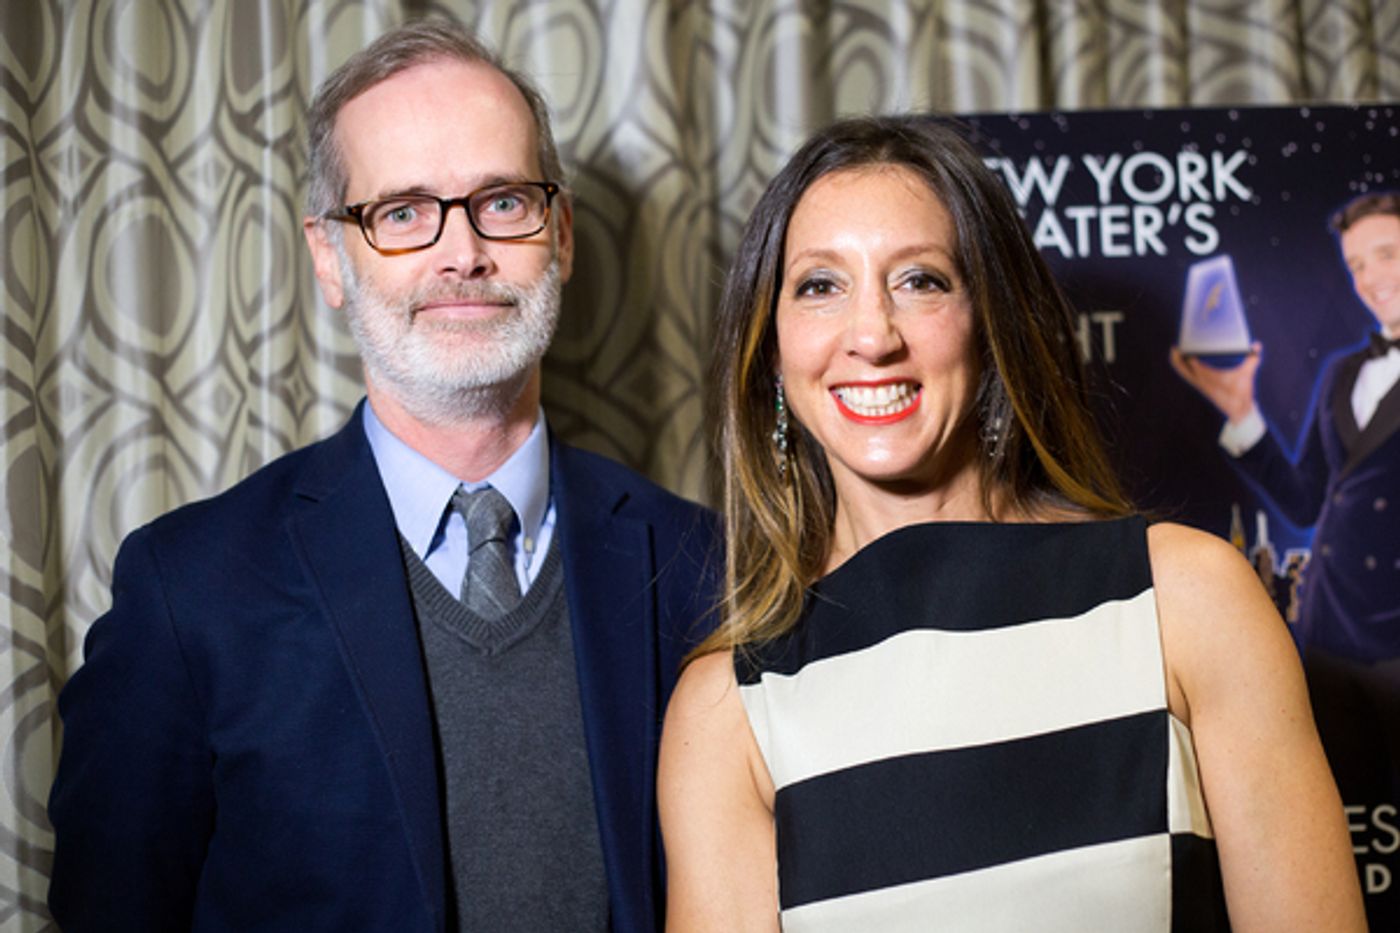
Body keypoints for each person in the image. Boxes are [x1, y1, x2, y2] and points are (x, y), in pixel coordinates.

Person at [47, 19, 717, 933]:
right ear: (331, 256)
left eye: (504, 201)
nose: (462, 252)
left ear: (558, 233)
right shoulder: (190, 590)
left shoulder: (699, 564)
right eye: (402, 212)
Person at [658, 114, 1364, 932]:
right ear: (772, 350)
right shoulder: (727, 711)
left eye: (921, 279)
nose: (871, 334)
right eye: (821, 284)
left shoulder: (1188, 599)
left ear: (992, 326)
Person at [1170, 191, 1400, 664]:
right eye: (1356, 265)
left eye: (1387, 255)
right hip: (1330, 629)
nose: (1370, 278)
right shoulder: (1343, 371)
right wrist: (1242, 412)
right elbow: (1305, 500)